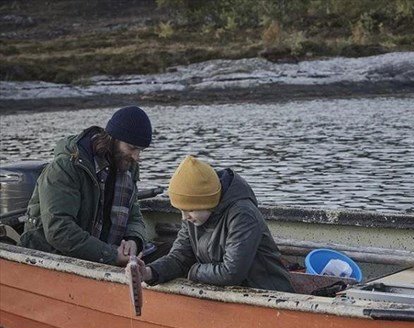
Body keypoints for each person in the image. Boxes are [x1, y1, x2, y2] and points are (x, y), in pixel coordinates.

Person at [131, 155, 294, 292]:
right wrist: (148, 272)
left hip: (266, 291)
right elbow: (179, 257)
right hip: (232, 294)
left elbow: (231, 272)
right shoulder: (194, 217)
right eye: (181, 210)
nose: (184, 217)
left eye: (189, 210)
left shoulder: (243, 215)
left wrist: (193, 271)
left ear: (206, 202)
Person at [20, 106, 153, 266]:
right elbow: (59, 229)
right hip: (48, 257)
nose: (137, 157)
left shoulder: (128, 167)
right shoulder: (65, 167)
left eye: (141, 150)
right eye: (132, 148)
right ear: (112, 139)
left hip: (100, 256)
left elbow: (134, 216)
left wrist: (134, 240)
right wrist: (111, 256)